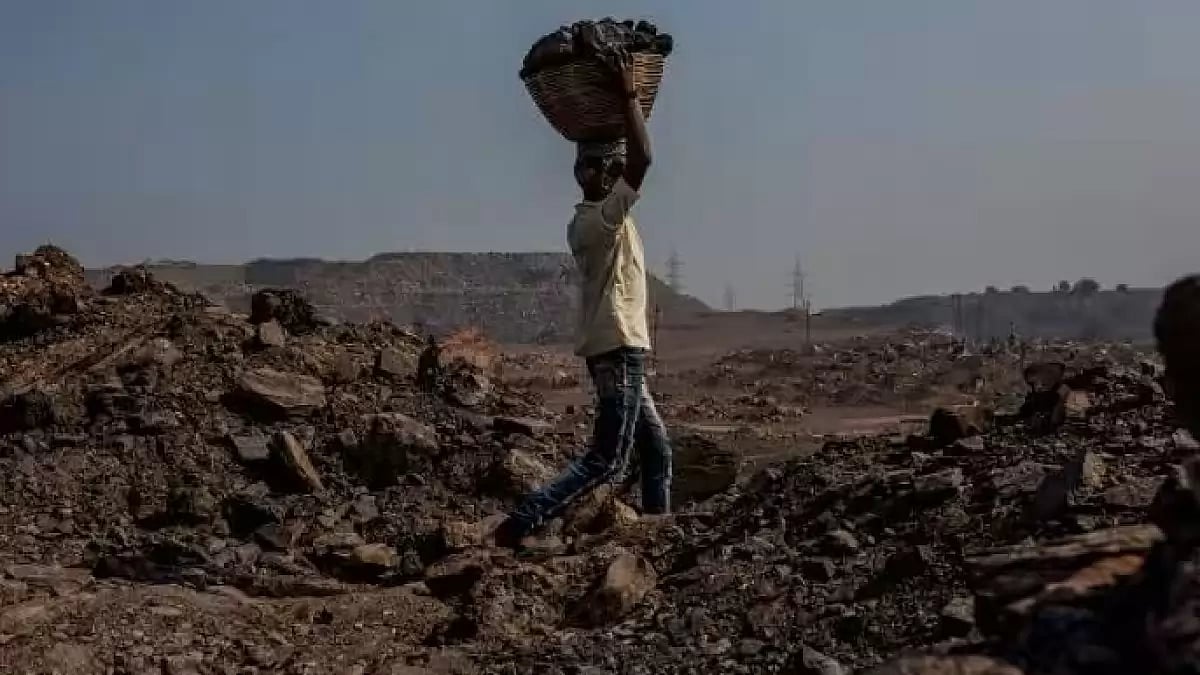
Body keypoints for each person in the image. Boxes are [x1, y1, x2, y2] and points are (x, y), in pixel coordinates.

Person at [494, 49, 672, 549]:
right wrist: (630, 95)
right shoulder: (598, 220)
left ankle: (656, 537)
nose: (617, 172)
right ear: (589, 174)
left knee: (656, 451)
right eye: (606, 167)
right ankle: (520, 524)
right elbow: (645, 159)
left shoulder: (608, 217)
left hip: (622, 349)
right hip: (618, 352)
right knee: (607, 460)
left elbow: (633, 160)